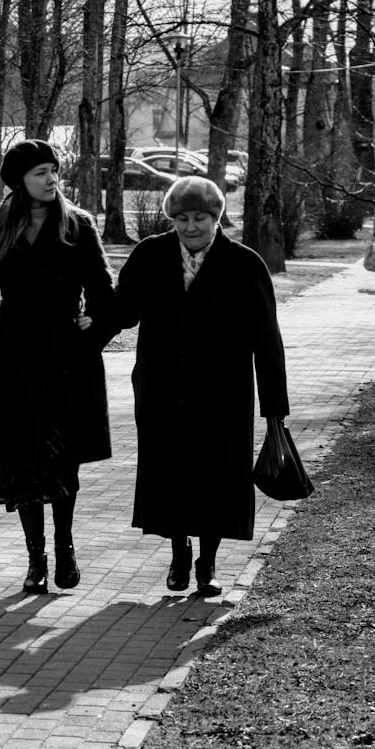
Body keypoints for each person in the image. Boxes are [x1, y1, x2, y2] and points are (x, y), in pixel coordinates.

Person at [113, 175, 290, 597]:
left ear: (217, 217)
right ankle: (178, 554)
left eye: (200, 218)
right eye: (181, 218)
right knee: (169, 472)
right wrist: (83, 332)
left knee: (217, 476)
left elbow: (267, 338)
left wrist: (275, 409)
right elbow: (121, 311)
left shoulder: (245, 263)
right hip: (161, 388)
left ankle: (207, 563)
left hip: (222, 393)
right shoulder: (151, 255)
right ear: (171, 219)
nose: (191, 227)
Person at [0, 139, 115, 594]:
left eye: (54, 170)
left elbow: (105, 293)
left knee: (62, 461)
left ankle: (65, 547)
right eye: (40, 173)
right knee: (21, 463)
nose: (52, 179)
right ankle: (36, 560)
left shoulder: (78, 225)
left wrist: (93, 332)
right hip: (14, 364)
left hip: (67, 362)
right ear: (19, 182)